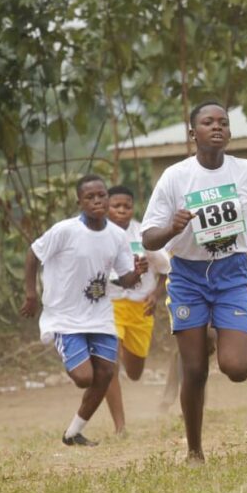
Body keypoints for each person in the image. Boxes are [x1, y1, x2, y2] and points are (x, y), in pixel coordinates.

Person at [141, 100, 247, 463]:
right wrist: (173, 227)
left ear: (229, 132)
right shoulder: (175, 177)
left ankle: (214, 333)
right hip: (187, 276)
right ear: (193, 132)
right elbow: (149, 238)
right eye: (208, 122)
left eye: (223, 123)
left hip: (232, 274)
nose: (217, 127)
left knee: (237, 369)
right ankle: (194, 450)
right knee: (196, 370)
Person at [20, 174, 148, 446]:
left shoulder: (117, 235)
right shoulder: (65, 230)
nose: (97, 201)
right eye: (90, 197)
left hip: (100, 316)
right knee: (84, 377)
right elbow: (33, 254)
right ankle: (70, 349)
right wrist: (31, 294)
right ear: (79, 201)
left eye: (101, 195)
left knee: (105, 373)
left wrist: (136, 274)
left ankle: (73, 432)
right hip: (65, 317)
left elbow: (124, 279)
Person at [103, 185, 171, 434]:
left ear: (133, 208)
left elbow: (165, 270)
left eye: (126, 206)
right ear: (107, 208)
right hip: (110, 306)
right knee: (109, 365)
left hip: (140, 308)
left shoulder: (143, 235)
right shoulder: (98, 236)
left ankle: (123, 358)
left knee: (134, 371)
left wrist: (155, 294)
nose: (122, 211)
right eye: (116, 206)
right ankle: (120, 426)